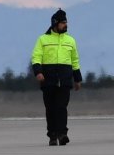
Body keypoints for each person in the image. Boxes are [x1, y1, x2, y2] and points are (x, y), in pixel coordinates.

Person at [30, 9, 82, 146]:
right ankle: (52, 135)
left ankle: (62, 134)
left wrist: (77, 79)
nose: (66, 25)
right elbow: (36, 57)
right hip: (48, 80)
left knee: (61, 107)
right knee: (51, 108)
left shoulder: (70, 40)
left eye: (66, 22)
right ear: (55, 23)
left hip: (65, 80)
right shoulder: (43, 39)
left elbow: (75, 60)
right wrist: (38, 72)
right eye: (63, 23)